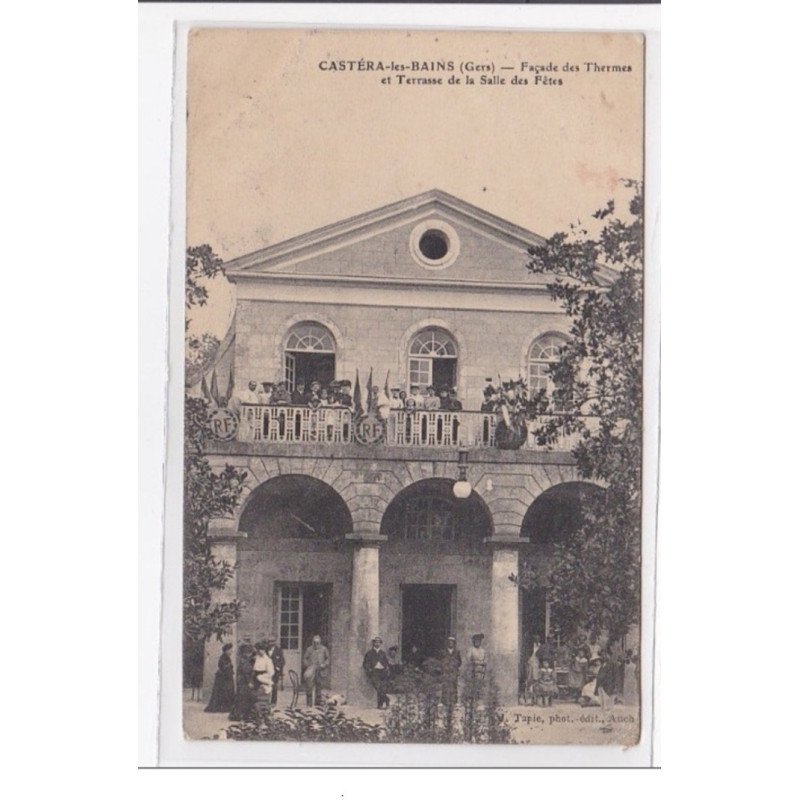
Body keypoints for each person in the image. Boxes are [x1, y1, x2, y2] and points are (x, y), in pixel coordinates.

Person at [204, 643, 236, 713]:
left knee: (227, 692)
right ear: (226, 650)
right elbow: (222, 666)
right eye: (230, 650)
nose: (231, 651)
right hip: (223, 678)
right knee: (223, 692)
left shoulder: (227, 657)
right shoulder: (223, 657)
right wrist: (229, 666)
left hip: (226, 677)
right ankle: (223, 708)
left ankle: (226, 707)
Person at [229, 643, 256, 721]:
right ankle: (242, 716)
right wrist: (249, 682)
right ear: (246, 653)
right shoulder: (244, 661)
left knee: (241, 698)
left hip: (242, 682)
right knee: (244, 699)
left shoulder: (243, 660)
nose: (251, 654)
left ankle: (240, 715)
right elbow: (246, 673)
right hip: (244, 682)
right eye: (250, 653)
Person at [363, 636, 391, 709]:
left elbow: (386, 662)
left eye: (379, 642)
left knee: (381, 688)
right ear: (373, 643)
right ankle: (387, 699)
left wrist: (387, 668)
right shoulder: (369, 653)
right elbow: (365, 663)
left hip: (382, 672)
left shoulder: (382, 653)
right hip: (374, 672)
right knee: (378, 687)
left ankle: (380, 704)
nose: (377, 643)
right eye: (376, 642)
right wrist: (369, 669)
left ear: (380, 643)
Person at [302, 634, 330, 706]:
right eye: (314, 642)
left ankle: (318, 702)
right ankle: (309, 703)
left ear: (320, 642)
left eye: (318, 643)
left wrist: (324, 664)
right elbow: (305, 658)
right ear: (312, 642)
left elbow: (328, 659)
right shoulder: (309, 649)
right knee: (309, 686)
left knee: (319, 686)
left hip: (320, 669)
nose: (316, 644)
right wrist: (308, 665)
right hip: (312, 669)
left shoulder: (324, 649)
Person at [441, 636, 462, 706]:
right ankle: (444, 702)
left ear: (454, 643)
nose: (451, 643)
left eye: (452, 642)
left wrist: (454, 664)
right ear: (447, 643)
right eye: (449, 642)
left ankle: (454, 701)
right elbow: (441, 661)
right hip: (446, 672)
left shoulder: (457, 652)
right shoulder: (444, 652)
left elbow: (460, 662)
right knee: (445, 686)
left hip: (453, 672)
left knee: (454, 686)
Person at [265, 636, 285, 705]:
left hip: (275, 672)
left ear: (274, 642)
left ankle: (273, 702)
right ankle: (266, 701)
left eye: (272, 642)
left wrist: (278, 667)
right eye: (269, 642)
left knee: (274, 687)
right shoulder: (265, 650)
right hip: (266, 671)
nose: (270, 643)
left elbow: (282, 661)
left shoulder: (278, 650)